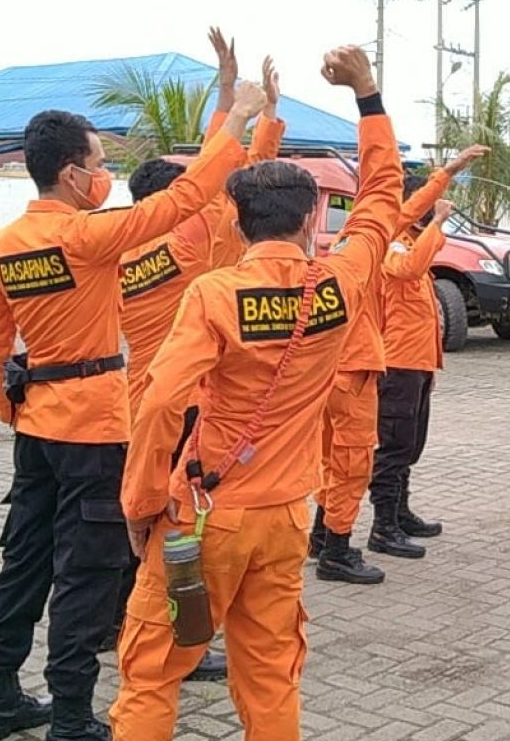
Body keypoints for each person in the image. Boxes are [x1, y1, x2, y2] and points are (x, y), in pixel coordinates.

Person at [109, 45, 404, 741]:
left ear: (236, 224)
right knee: (271, 674)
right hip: (284, 521)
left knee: (155, 671)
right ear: (311, 223)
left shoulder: (214, 292)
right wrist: (367, 95)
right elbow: (383, 198)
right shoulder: (342, 280)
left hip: (205, 519)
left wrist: (141, 501)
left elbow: (158, 402)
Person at [0, 83, 263, 741]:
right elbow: (186, 199)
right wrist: (239, 116)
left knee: (23, 561)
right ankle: (71, 716)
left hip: (37, 426)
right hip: (95, 427)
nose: (104, 176)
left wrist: (11, 411)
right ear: (72, 174)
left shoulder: (3, 245)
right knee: (88, 571)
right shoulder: (87, 237)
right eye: (99, 164)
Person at [103, 48, 286, 686]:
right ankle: (172, 634)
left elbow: (220, 173)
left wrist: (232, 94)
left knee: (130, 521)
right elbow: (236, 180)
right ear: (174, 202)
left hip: (136, 397)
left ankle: (113, 621)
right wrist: (257, 112)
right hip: (181, 403)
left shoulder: (123, 251)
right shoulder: (191, 241)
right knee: (174, 529)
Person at [310, 146, 488, 581]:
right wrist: (440, 221)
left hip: (394, 361)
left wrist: (446, 171)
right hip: (375, 364)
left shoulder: (370, 238)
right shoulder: (371, 243)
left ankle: (333, 534)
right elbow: (407, 268)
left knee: (383, 450)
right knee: (361, 457)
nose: (402, 212)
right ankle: (360, 535)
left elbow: (408, 211)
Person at [367, 194, 456, 560]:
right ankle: (382, 526)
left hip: (417, 367)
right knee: (393, 447)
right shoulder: (394, 246)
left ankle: (400, 513)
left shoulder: (415, 246)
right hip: (397, 366)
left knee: (410, 446)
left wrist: (430, 368)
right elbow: (409, 269)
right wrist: (435, 224)